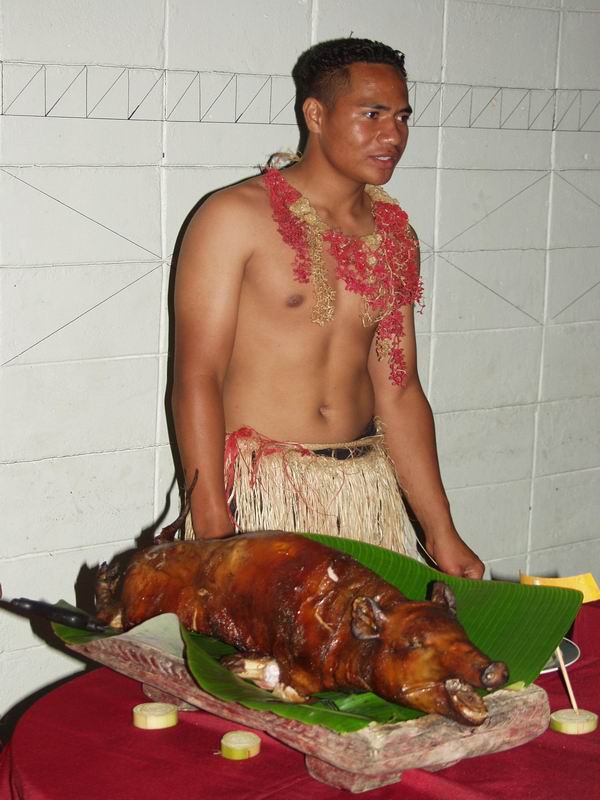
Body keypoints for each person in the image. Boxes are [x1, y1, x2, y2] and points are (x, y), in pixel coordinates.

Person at [172, 37, 484, 579]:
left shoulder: (395, 235)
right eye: (372, 114)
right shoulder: (233, 217)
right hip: (261, 498)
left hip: (362, 493)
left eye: (402, 117)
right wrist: (214, 527)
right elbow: (197, 378)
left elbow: (399, 389)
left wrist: (441, 531)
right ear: (315, 115)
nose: (393, 136)